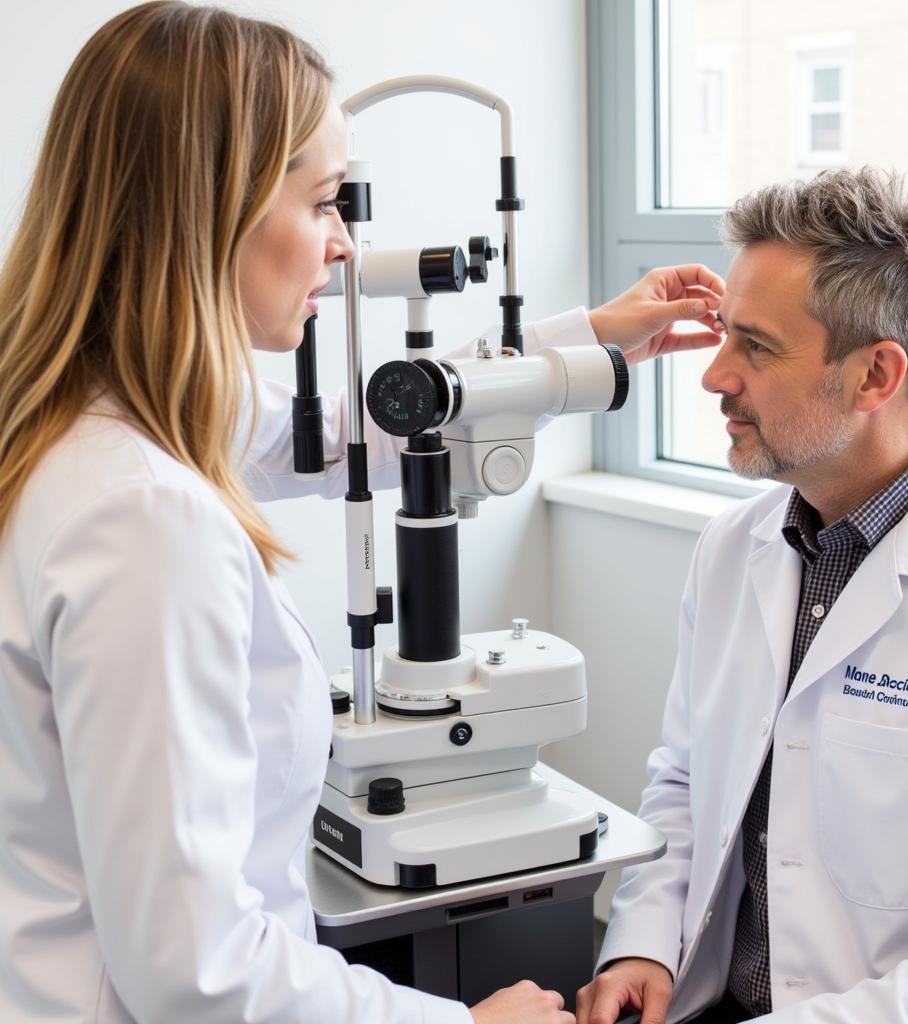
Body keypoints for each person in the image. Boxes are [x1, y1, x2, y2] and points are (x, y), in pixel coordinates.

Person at [0, 4, 725, 1023]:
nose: (342, 244)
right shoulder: (142, 520)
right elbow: (195, 970)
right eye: (325, 202)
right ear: (213, 206)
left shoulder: (81, 419)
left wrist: (585, 343)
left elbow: (355, 425)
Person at [575, 168, 908, 1023]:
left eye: (756, 346)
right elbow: (684, 779)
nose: (714, 376)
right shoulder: (733, 546)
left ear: (873, 376)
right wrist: (642, 943)